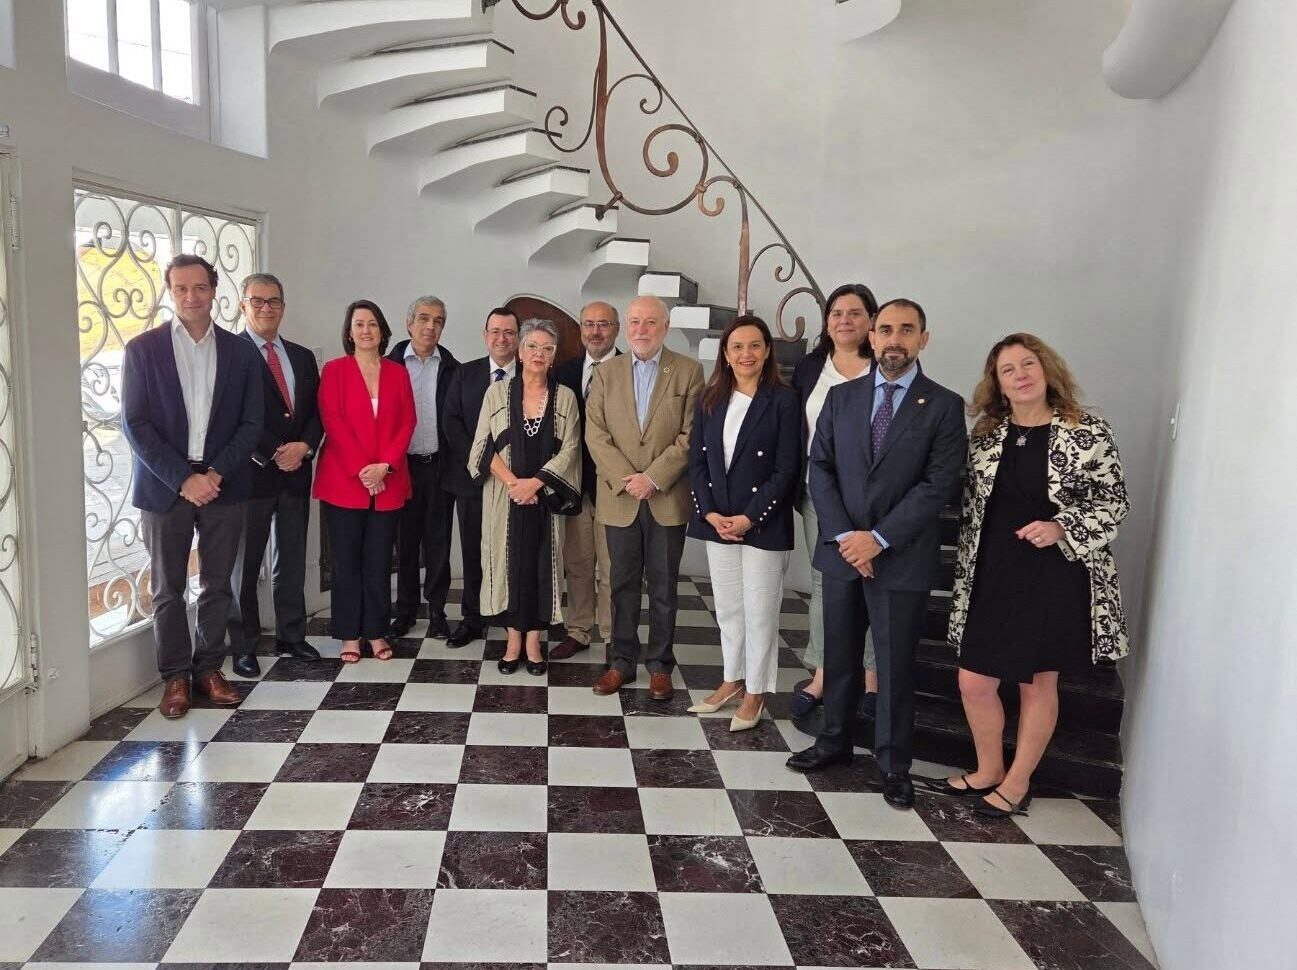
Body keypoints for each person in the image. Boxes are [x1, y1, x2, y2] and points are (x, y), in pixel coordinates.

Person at [939, 333, 1131, 817]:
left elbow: (1114, 502)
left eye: (1028, 364)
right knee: (973, 681)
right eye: (1008, 369)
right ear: (998, 384)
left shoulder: (1087, 430)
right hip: (993, 570)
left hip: (1055, 572)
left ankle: (1017, 781)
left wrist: (1062, 526)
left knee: (1037, 684)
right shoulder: (987, 436)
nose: (1020, 375)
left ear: (1047, 369)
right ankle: (989, 769)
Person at [786, 298, 967, 810]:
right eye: (886, 329)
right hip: (843, 554)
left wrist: (879, 538)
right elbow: (820, 468)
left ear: (923, 339)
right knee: (840, 656)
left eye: (906, 330)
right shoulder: (841, 398)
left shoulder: (944, 405)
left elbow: (938, 485)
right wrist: (848, 536)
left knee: (893, 665)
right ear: (872, 336)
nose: (894, 339)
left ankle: (893, 764)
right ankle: (834, 742)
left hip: (900, 558)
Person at [121, 254, 263, 719]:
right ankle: (176, 677)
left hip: (224, 483)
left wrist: (214, 474)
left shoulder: (241, 352)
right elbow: (135, 424)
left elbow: (252, 422)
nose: (191, 296)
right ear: (170, 291)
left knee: (218, 583)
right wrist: (183, 478)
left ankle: (209, 669)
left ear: (214, 291)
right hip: (166, 486)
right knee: (168, 587)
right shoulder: (143, 350)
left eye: (199, 287)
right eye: (181, 288)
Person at [586, 295, 704, 701]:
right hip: (619, 498)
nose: (642, 329)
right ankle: (621, 662)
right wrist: (629, 479)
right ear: (626, 326)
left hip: (665, 497)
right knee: (620, 583)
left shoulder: (688, 371)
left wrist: (653, 478)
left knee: (664, 586)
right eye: (635, 321)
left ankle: (660, 665)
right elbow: (595, 435)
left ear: (665, 327)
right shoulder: (606, 373)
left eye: (650, 322)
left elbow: (691, 434)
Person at [686, 316, 800, 731]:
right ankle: (732, 679)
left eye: (754, 345)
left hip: (762, 524)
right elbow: (697, 462)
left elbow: (786, 469)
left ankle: (756, 691)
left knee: (760, 611)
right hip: (718, 521)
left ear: (767, 351)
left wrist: (750, 517)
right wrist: (710, 513)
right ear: (726, 353)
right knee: (730, 608)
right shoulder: (709, 398)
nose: (745, 354)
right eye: (737, 346)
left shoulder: (783, 400)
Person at [468, 319, 582, 675]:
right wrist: (515, 484)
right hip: (505, 498)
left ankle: (533, 642)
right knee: (508, 567)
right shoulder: (496, 393)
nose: (538, 354)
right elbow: (483, 445)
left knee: (540, 568)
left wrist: (535, 484)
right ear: (519, 352)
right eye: (532, 346)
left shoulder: (565, 397)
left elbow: (570, 450)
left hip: (545, 499)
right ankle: (513, 641)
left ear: (553, 356)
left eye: (547, 348)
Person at [788, 283, 880, 719]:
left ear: (871, 321)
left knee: (873, 581)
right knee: (825, 582)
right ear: (826, 322)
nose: (845, 320)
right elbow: (795, 430)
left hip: (874, 499)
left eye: (855, 313)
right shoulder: (811, 368)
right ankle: (824, 673)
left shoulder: (885, 365)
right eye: (837, 313)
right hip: (818, 493)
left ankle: (872, 676)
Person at [228, 273, 323, 679]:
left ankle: (291, 635)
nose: (266, 308)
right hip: (251, 477)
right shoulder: (230, 353)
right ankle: (244, 646)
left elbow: (316, 412)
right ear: (243, 305)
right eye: (258, 301)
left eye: (274, 301)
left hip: (296, 473)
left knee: (292, 560)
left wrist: (305, 447)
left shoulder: (301, 356)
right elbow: (231, 415)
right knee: (245, 566)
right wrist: (272, 453)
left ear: (284, 306)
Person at [313, 300, 416, 664]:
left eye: (372, 324)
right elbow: (333, 421)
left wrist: (384, 466)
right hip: (344, 482)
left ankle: (375, 631)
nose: (366, 330)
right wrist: (363, 469)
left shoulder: (398, 373)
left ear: (382, 330)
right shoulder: (335, 370)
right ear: (349, 332)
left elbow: (407, 422)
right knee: (346, 562)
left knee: (378, 561)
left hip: (387, 482)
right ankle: (348, 634)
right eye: (359, 324)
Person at [441, 307, 520, 647]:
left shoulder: (532, 375)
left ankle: (512, 617)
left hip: (516, 483)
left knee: (512, 551)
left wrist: (512, 473)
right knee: (474, 551)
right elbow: (451, 422)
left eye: (509, 332)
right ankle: (473, 617)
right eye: (495, 331)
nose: (502, 338)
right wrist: (483, 463)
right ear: (485, 335)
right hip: (473, 481)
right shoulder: (465, 373)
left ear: (518, 337)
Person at [550, 301, 621, 660]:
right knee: (577, 564)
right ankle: (578, 630)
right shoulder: (564, 371)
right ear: (580, 329)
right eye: (589, 324)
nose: (596, 331)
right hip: (575, 487)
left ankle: (611, 636)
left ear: (616, 329)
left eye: (603, 324)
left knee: (612, 568)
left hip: (615, 488)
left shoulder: (630, 369)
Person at [387, 296, 461, 640]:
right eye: (424, 318)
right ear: (409, 323)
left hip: (439, 467)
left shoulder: (453, 368)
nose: (431, 326)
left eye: (438, 320)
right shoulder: (389, 365)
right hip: (401, 467)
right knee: (405, 542)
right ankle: (404, 611)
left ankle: (437, 611)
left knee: (438, 543)